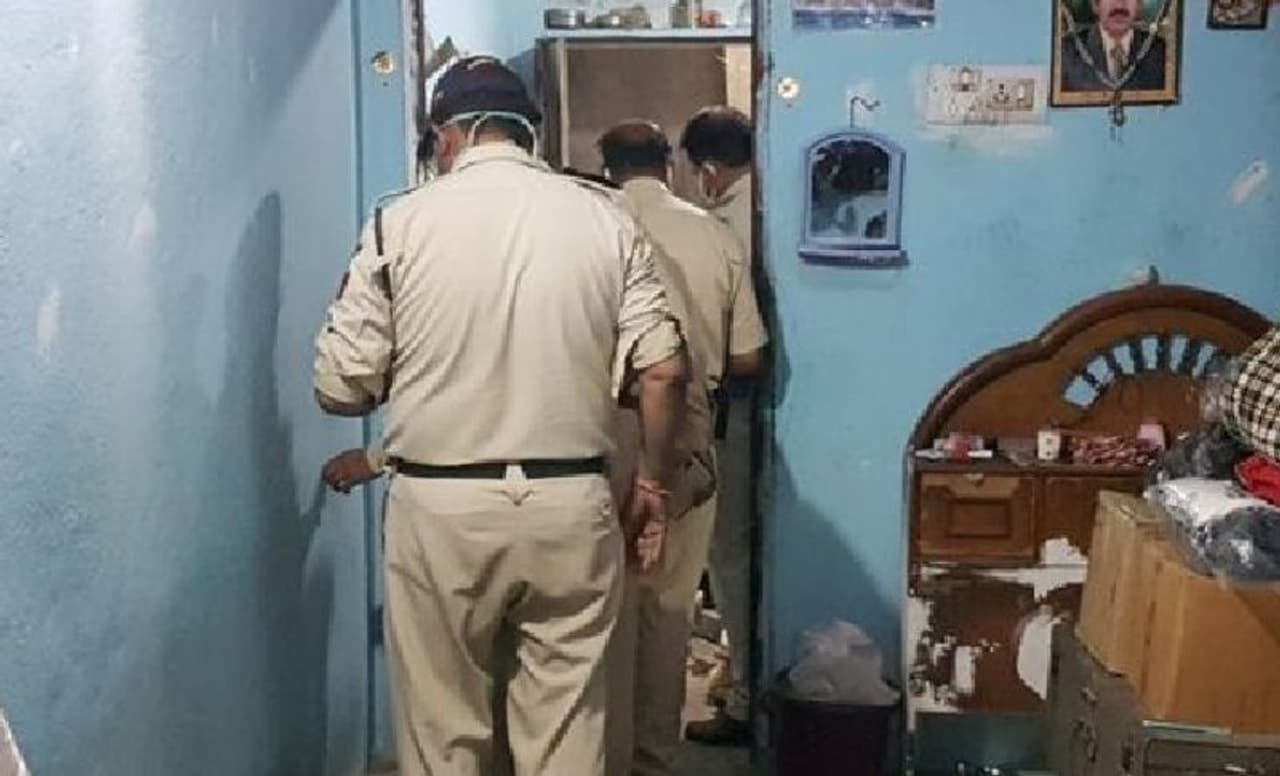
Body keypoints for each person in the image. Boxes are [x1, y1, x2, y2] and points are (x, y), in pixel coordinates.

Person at [313, 55, 691, 776]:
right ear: (528, 132)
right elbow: (665, 371)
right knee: (567, 731)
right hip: (570, 502)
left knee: (444, 732)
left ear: (446, 136)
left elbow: (341, 390)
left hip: (441, 510)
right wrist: (652, 485)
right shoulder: (605, 217)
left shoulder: (398, 224)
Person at [596, 121, 762, 775]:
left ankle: (602, 756)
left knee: (601, 613)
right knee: (668, 612)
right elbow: (748, 356)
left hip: (599, 436)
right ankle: (654, 759)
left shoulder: (590, 226)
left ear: (606, 168)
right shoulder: (713, 234)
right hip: (690, 438)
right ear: (668, 165)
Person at [678, 106, 768, 746]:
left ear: (708, 169)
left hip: (729, 407)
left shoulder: (723, 228)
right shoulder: (767, 205)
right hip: (757, 408)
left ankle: (743, 700)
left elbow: (742, 352)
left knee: (728, 555)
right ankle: (740, 672)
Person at [1060, 0, 1167, 92]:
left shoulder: (1160, 52)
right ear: (1095, 5)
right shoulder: (1066, 52)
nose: (1119, 5)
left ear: (1139, 5)